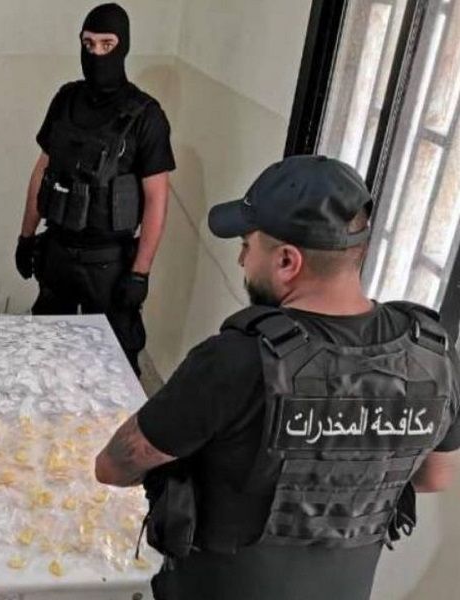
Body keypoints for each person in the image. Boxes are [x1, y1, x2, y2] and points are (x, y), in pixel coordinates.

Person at [93, 155, 460, 599]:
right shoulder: (431, 355)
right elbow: (434, 477)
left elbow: (114, 465)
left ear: (287, 261)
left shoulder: (238, 360)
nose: (242, 259)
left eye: (247, 245)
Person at [15, 2, 175, 374]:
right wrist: (26, 236)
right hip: (57, 250)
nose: (96, 53)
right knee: (44, 356)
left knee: (114, 366)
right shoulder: (65, 100)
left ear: (123, 46)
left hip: (110, 262)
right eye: (88, 44)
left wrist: (140, 272)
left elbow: (157, 199)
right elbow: (41, 172)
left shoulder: (146, 115)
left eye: (107, 44)